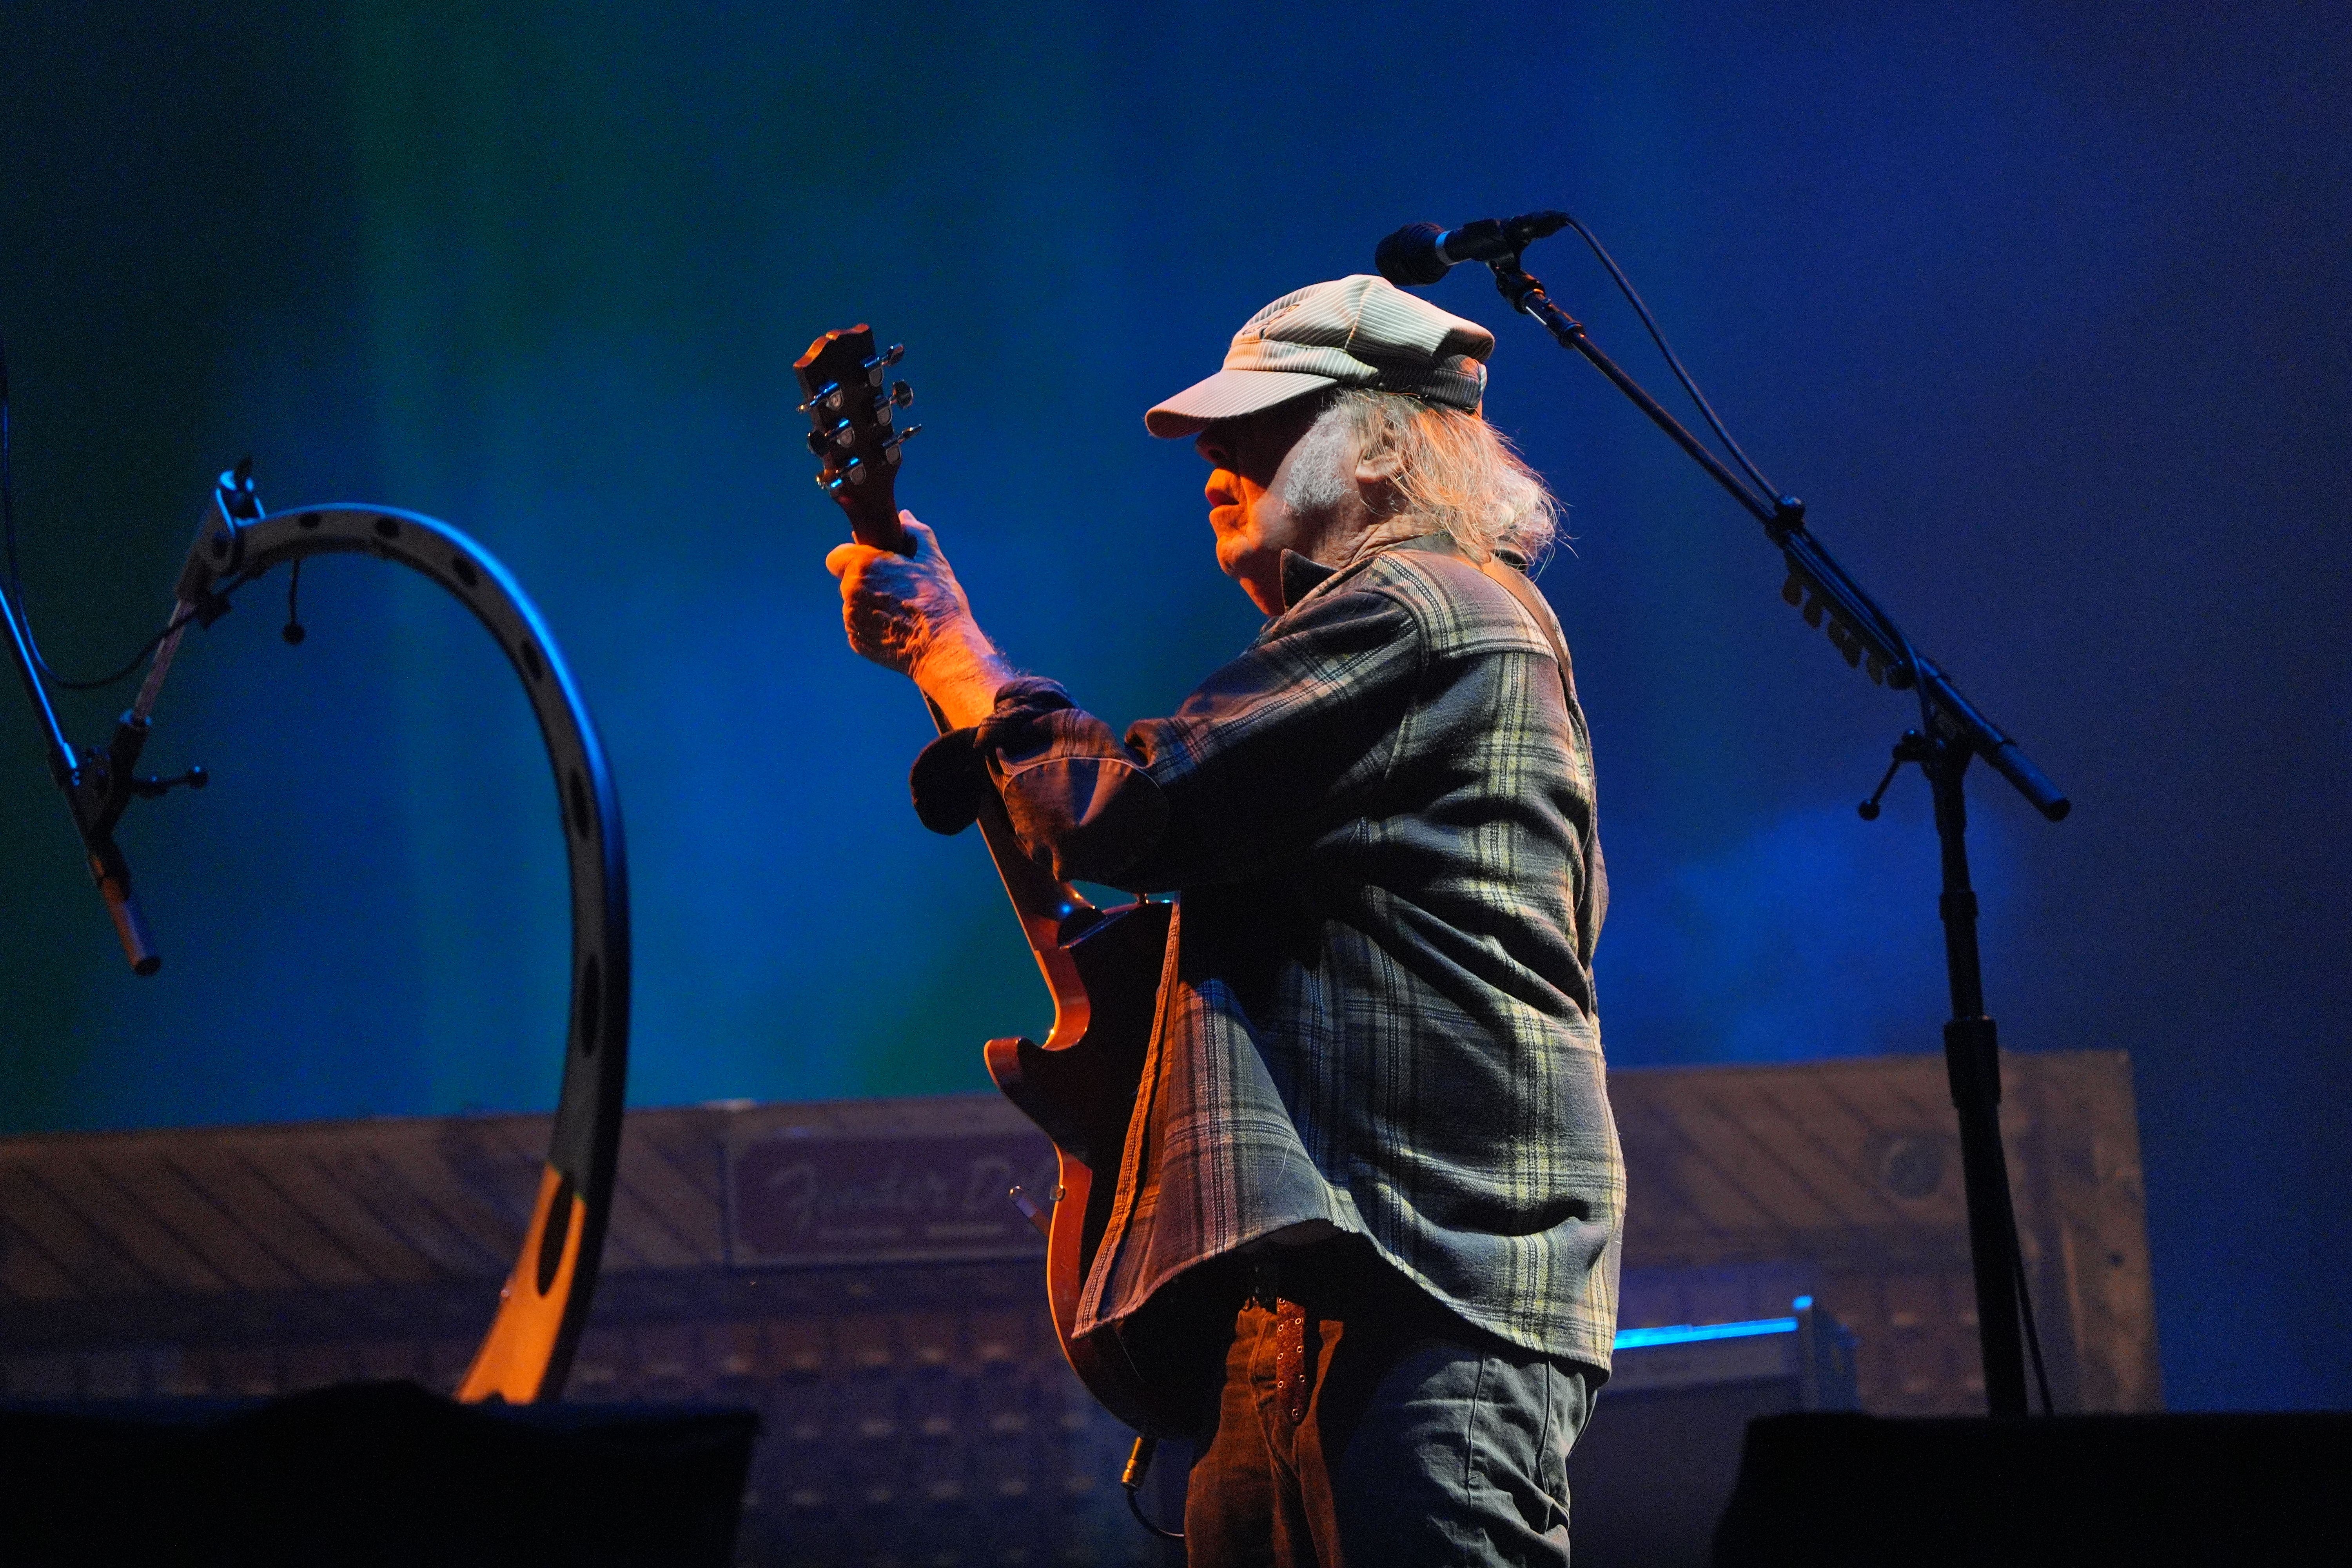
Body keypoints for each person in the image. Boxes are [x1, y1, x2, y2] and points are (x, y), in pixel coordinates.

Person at [826, 275, 1622, 1567]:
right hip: (1320, 1294)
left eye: (1261, 423)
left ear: (1381, 446)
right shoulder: (1413, 639)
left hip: (1424, 1295)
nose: (1214, 455)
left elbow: (1134, 817)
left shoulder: (1427, 610)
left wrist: (951, 649)